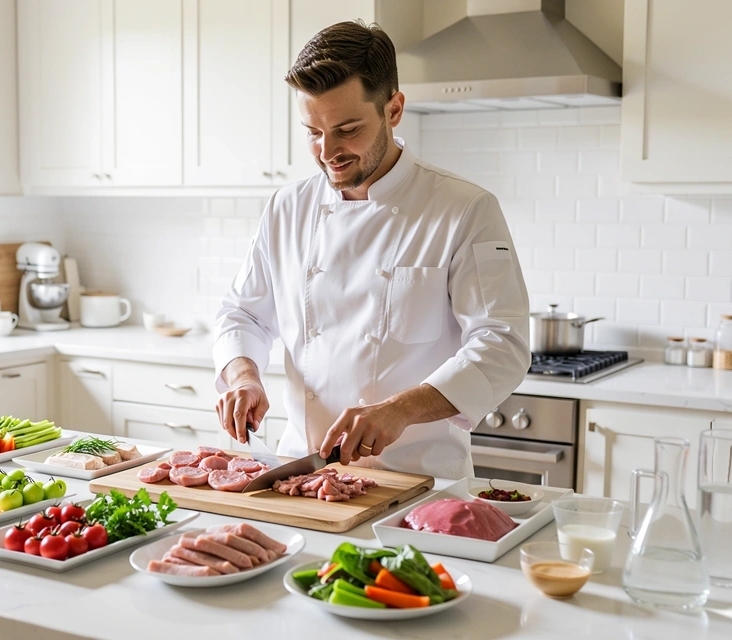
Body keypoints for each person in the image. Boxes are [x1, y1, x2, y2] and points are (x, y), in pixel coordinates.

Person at [212, 21, 530, 479]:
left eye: (347, 129)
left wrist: (397, 410)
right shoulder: (288, 207)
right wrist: (243, 377)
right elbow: (243, 314)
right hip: (301, 473)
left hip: (418, 484)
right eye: (313, 132)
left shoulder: (463, 208)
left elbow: (503, 344)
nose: (328, 152)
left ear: (394, 108)